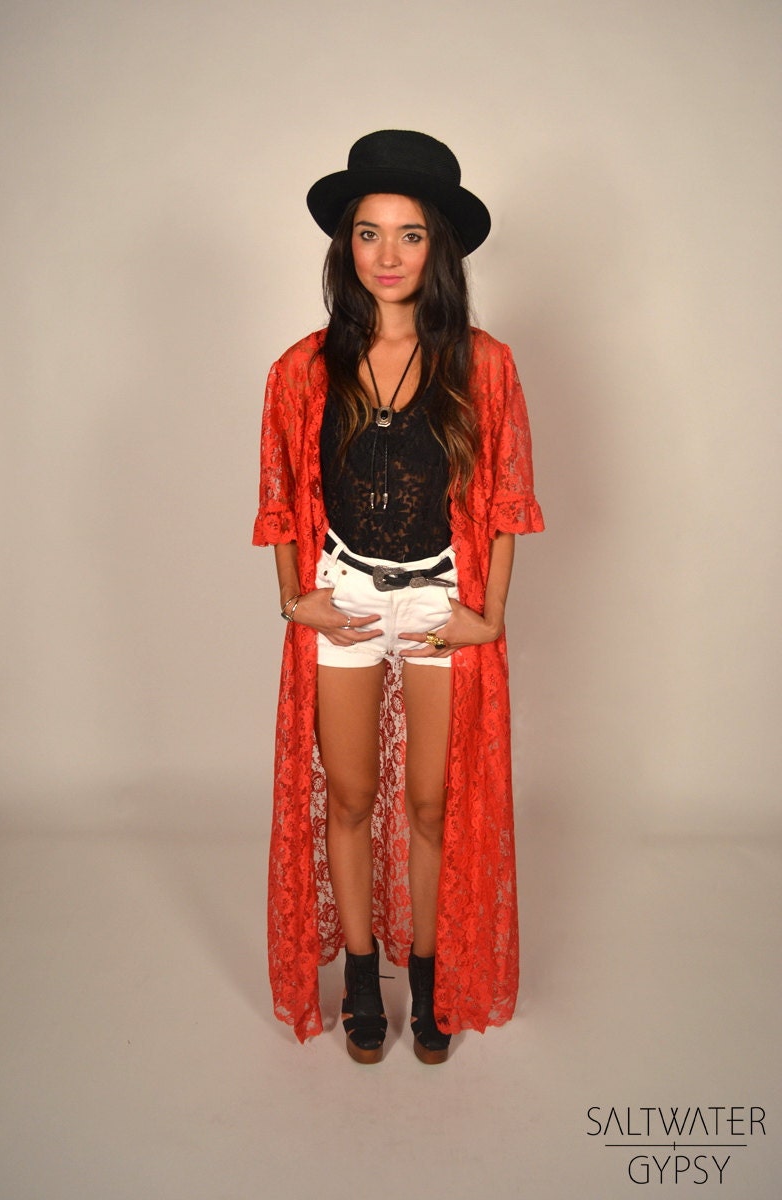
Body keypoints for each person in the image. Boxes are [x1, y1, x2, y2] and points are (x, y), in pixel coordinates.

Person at [253, 130, 543, 1064]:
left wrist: (488, 616)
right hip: (343, 595)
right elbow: (281, 495)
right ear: (346, 245)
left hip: (437, 603)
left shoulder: (483, 364)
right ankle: (359, 971)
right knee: (346, 795)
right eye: (369, 233)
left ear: (438, 248)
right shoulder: (303, 369)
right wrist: (294, 597)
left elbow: (505, 501)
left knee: (428, 805)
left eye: (410, 235)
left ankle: (425, 973)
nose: (387, 255)